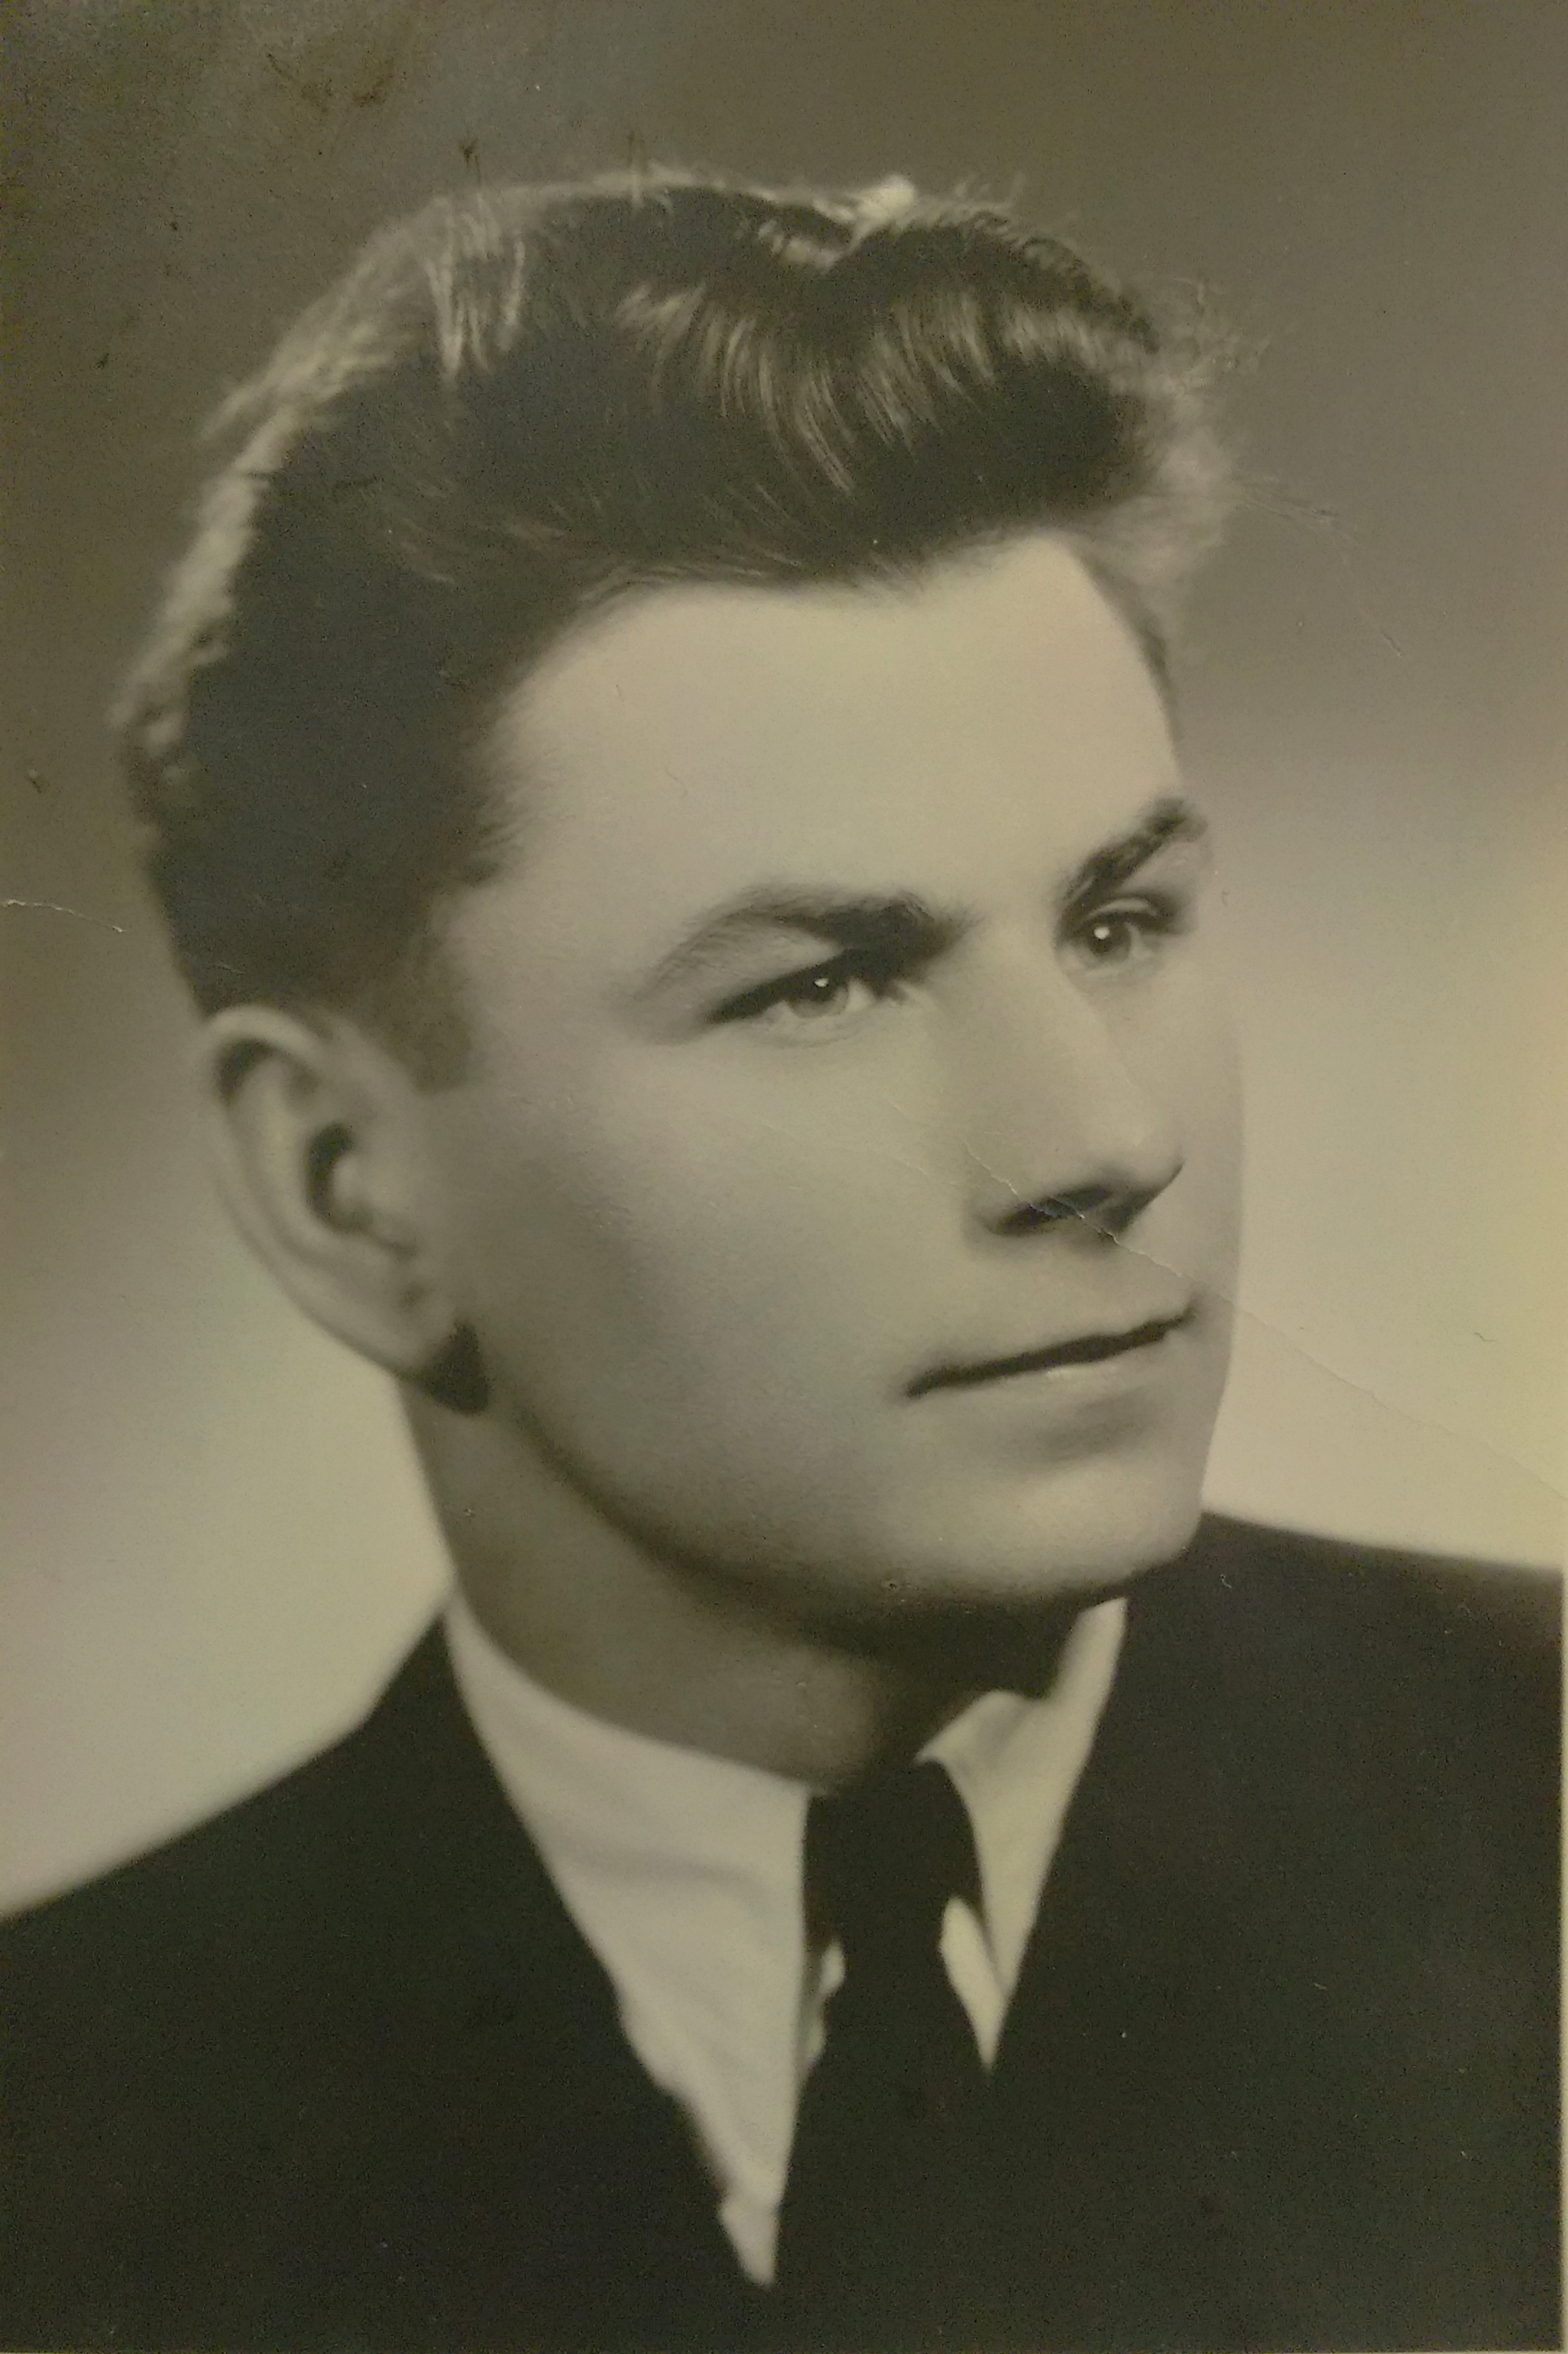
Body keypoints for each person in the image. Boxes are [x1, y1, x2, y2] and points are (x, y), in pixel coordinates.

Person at [1, 169, 1557, 2354]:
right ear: (345, 1186)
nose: (1101, 1143)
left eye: (1117, 920)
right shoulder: (60, 2130)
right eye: (818, 985)